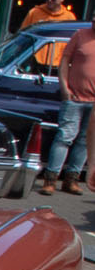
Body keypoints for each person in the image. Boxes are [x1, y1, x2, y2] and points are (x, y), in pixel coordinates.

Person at [43, 13, 95, 195]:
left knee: (84, 141)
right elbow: (64, 60)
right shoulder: (80, 35)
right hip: (74, 97)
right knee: (65, 137)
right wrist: (65, 88)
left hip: (93, 102)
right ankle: (50, 179)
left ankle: (71, 179)